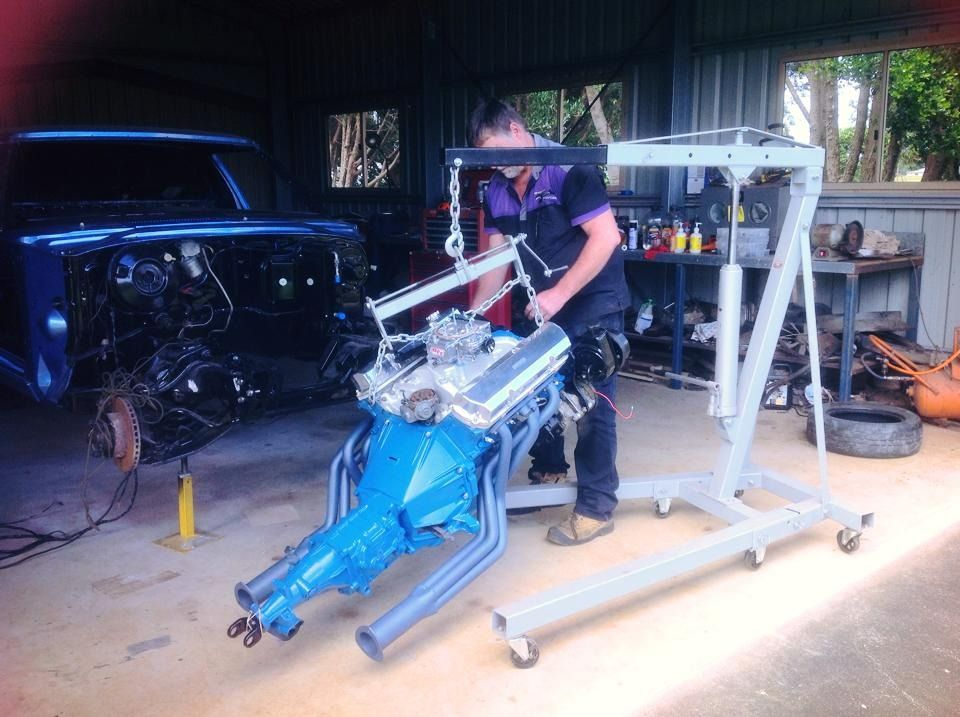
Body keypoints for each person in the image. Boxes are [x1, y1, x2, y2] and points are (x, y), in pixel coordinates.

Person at [466, 98, 629, 546]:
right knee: (534, 394)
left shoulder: (570, 169)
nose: (497, 165)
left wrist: (560, 293)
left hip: (593, 301)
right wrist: (474, 316)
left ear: (518, 131)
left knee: (592, 405)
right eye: (487, 159)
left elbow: (606, 237)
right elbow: (496, 259)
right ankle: (550, 471)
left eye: (499, 152)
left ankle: (596, 507)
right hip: (543, 305)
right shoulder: (496, 190)